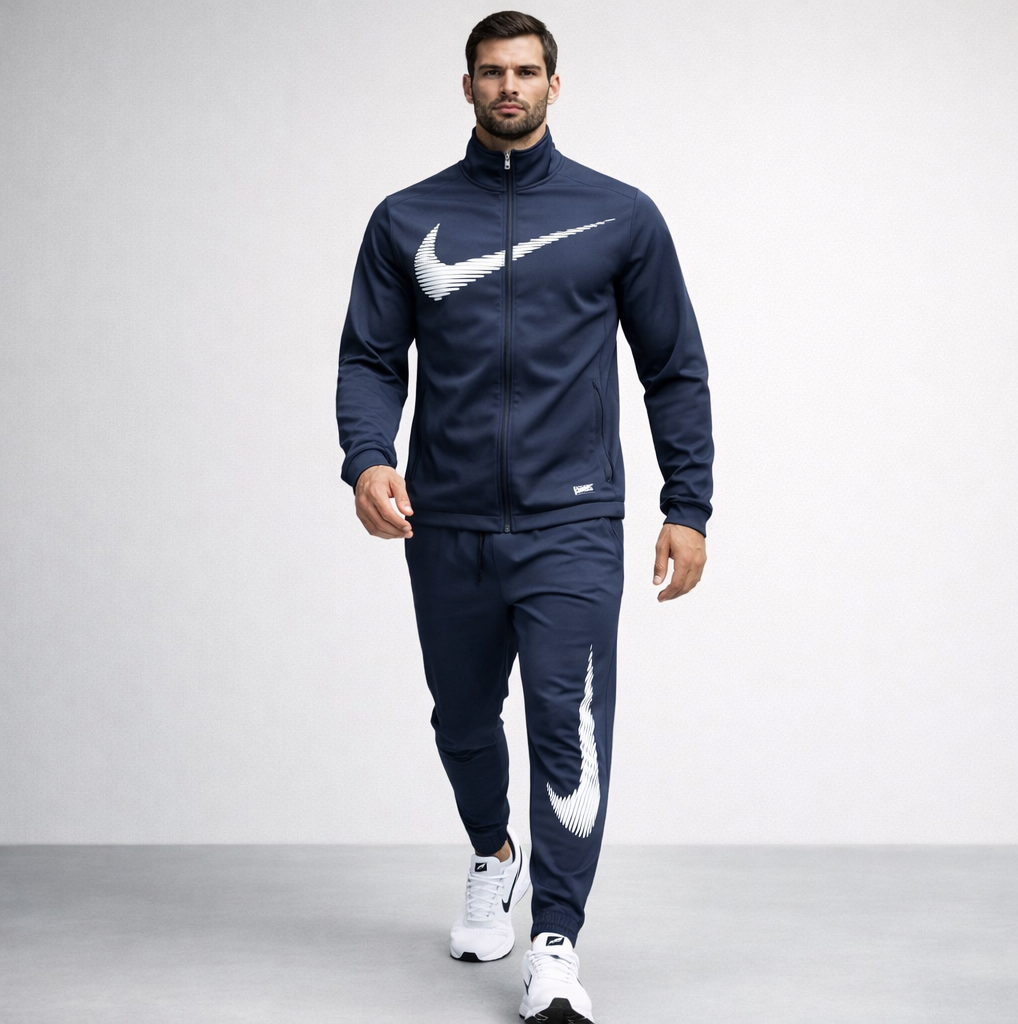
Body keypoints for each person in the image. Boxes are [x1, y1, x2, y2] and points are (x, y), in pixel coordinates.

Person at [335, 11, 713, 1023]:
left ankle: (556, 942)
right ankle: (491, 853)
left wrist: (688, 504)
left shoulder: (618, 215)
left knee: (567, 729)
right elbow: (370, 359)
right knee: (461, 719)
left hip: (572, 522)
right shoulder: (406, 219)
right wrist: (368, 458)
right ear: (466, 86)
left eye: (527, 71)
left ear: (554, 84)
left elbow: (674, 368)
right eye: (492, 72)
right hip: (445, 521)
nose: (510, 86)